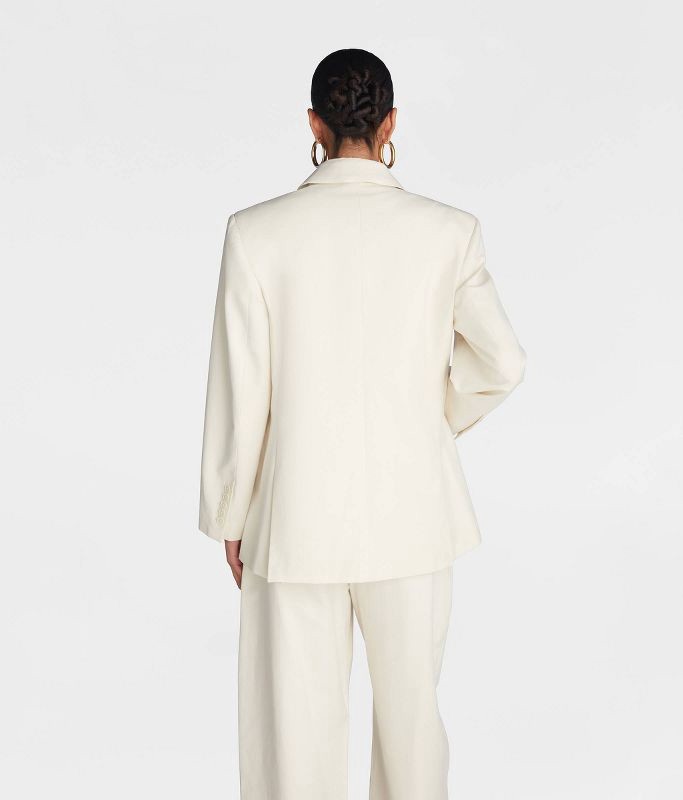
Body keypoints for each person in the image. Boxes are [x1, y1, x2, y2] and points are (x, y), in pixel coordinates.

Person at [198, 47, 527, 800]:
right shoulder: (449, 231)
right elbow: (502, 361)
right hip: (416, 510)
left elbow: (240, 387)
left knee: (294, 737)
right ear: (390, 124)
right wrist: (429, 422)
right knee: (413, 726)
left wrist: (230, 513)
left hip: (292, 514)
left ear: (315, 124)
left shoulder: (256, 232)